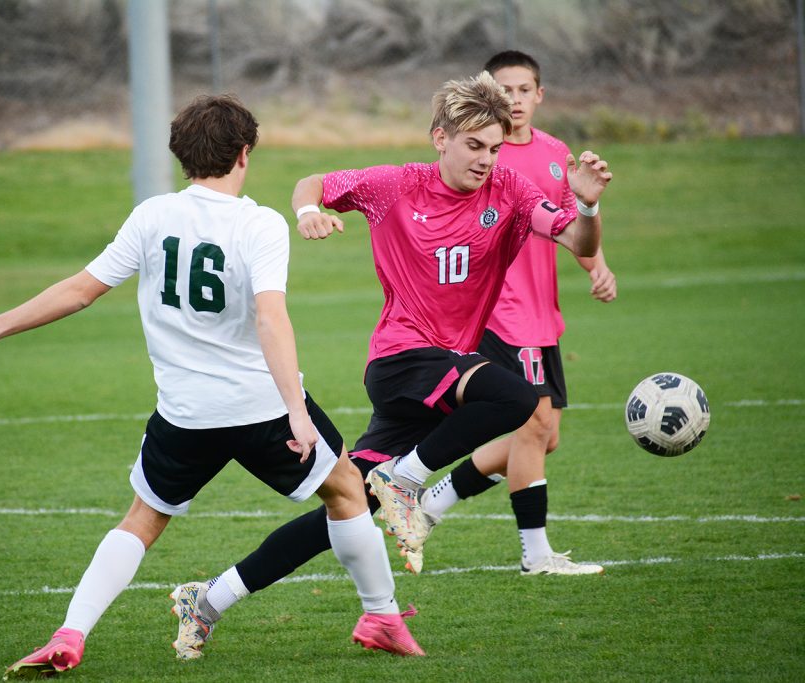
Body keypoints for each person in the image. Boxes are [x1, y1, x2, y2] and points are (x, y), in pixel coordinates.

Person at [0, 94, 423, 678]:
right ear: (244, 153)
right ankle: (380, 617)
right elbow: (271, 318)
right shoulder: (259, 223)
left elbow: (80, 290)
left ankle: (70, 632)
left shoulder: (152, 216)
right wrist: (296, 412)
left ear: (182, 156)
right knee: (347, 490)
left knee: (141, 521)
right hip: (261, 408)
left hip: (185, 414)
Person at [166, 71, 613, 656]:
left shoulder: (509, 190)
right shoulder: (395, 185)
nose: (485, 160)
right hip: (402, 359)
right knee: (515, 399)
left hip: (444, 369)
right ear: (440, 138)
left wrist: (584, 202)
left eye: (494, 148)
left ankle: (208, 599)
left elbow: (578, 242)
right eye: (473, 146)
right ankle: (404, 482)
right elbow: (313, 183)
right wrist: (308, 214)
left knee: (348, 502)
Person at [418, 50, 618, 576]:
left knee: (543, 436)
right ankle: (536, 555)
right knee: (534, 426)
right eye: (504, 90)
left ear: (539, 95)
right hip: (501, 316)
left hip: (541, 313)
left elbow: (570, 223)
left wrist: (596, 265)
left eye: (524, 90)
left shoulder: (556, 154)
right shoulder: (484, 156)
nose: (515, 100)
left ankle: (432, 502)